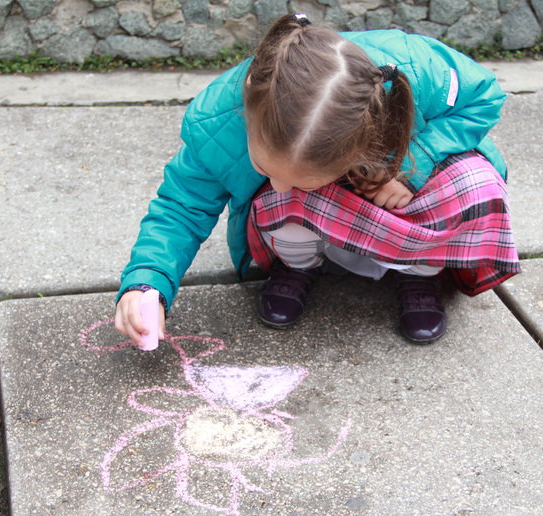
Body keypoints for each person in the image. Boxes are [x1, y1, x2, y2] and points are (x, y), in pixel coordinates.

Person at [115, 13, 520, 346]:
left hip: (385, 185)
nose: (276, 185)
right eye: (267, 170)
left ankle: (418, 273)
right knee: (281, 198)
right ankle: (297, 264)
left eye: (303, 178)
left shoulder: (415, 69)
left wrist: (412, 163)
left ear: (363, 138)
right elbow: (182, 205)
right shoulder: (219, 121)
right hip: (325, 212)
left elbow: (483, 95)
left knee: (472, 181)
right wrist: (147, 281)